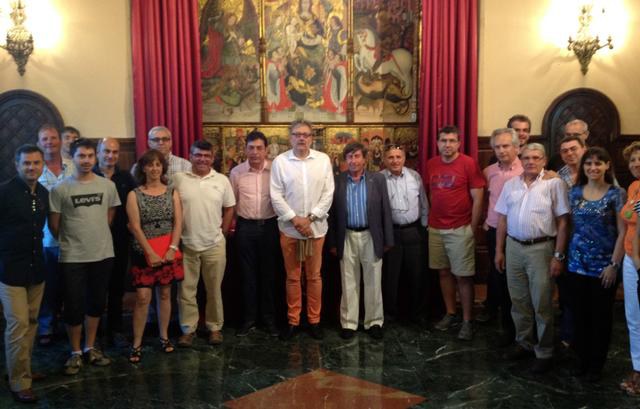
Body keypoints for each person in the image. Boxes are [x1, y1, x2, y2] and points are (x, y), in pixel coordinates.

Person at [494, 143, 569, 374]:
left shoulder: (554, 184)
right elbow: (502, 219)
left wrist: (558, 256)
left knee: (542, 303)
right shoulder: (510, 185)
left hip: (541, 249)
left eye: (536, 157)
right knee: (518, 301)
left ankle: (544, 351)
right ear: (521, 159)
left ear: (544, 160)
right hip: (513, 247)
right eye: (526, 157)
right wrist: (499, 250)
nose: (531, 161)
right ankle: (523, 342)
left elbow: (563, 222)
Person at [49, 138, 121, 375]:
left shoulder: (108, 186)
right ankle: (75, 352)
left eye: (90, 156)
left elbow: (109, 217)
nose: (87, 160)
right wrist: (75, 240)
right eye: (81, 156)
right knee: (73, 305)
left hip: (102, 254)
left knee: (96, 303)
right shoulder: (60, 189)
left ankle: (90, 347)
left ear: (96, 157)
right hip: (72, 257)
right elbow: (54, 226)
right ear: (73, 157)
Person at [270, 119, 334, 341]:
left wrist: (310, 218)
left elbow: (328, 193)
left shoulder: (323, 160)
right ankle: (293, 321)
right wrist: (296, 220)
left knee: (314, 277)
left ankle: (314, 321)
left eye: (306, 134)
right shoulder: (280, 162)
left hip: (316, 229)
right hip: (290, 229)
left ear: (312, 138)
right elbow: (276, 195)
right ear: (290, 137)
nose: (301, 138)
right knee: (293, 277)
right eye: (297, 134)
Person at [566, 147, 625, 381]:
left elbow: (623, 232)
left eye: (598, 163)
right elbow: (569, 226)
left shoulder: (616, 194)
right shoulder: (574, 192)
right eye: (588, 163)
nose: (593, 167)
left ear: (607, 165)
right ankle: (581, 360)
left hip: (604, 267)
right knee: (579, 315)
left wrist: (614, 264)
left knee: (600, 318)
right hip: (576, 264)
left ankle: (595, 365)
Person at [328, 142, 394, 340]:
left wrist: (388, 239)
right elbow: (332, 215)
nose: (353, 160)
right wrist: (333, 242)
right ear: (345, 160)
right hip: (346, 235)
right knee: (348, 280)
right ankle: (349, 323)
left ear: (365, 159)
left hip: (371, 235)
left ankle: (374, 321)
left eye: (357, 156)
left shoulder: (377, 179)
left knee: (373, 279)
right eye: (349, 157)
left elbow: (386, 210)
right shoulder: (337, 181)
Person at [174, 140, 235, 347]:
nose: (202, 159)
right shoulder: (179, 179)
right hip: (186, 243)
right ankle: (188, 329)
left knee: (214, 289)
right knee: (186, 290)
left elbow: (229, 208)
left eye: (206, 156)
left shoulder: (222, 180)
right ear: (190, 156)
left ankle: (214, 328)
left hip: (214, 243)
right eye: (198, 155)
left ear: (212, 158)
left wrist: (223, 233)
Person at [426, 125, 485, 341]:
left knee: (463, 276)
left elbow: (478, 198)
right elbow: (432, 194)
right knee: (443, 272)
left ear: (459, 143)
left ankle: (468, 320)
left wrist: (472, 228)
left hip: (460, 228)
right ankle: (451, 313)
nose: (447, 144)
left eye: (452, 140)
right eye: (443, 140)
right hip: (436, 227)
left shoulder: (468, 163)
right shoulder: (432, 164)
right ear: (437, 143)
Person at [0, 145, 48, 403]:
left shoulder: (43, 193)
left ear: (42, 164)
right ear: (16, 165)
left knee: (31, 321)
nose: (31, 167)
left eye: (36, 163)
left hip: (36, 267)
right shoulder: (4, 192)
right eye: (26, 163)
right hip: (10, 269)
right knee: (17, 325)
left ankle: (22, 370)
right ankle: (19, 381)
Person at [126, 149, 184, 363]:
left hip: (168, 249)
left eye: (158, 164)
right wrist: (149, 252)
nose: (154, 168)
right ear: (143, 168)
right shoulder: (134, 194)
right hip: (144, 251)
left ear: (163, 167)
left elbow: (178, 222)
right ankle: (137, 343)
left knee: (165, 295)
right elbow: (134, 226)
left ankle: (164, 337)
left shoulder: (172, 192)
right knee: (143, 298)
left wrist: (173, 248)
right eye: (150, 164)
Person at [230, 131, 280, 337]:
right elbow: (231, 203)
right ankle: (249, 319)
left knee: (269, 275)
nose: (255, 152)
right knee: (247, 275)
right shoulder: (236, 172)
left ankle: (269, 319)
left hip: (270, 226)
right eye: (251, 148)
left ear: (266, 150)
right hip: (245, 228)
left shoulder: (276, 170)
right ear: (245, 149)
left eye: (259, 148)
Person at [477, 128, 522, 345]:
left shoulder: (526, 169)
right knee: (498, 277)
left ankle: (517, 329)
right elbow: (485, 198)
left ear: (517, 147)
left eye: (506, 146)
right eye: (497, 147)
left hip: (518, 232)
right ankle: (504, 326)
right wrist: (486, 220)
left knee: (515, 282)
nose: (502, 150)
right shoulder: (489, 172)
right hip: (495, 230)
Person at [94, 138, 136, 347]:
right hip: (93, 241)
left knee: (117, 287)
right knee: (95, 288)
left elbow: (134, 205)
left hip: (119, 239)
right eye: (106, 151)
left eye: (115, 152)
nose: (110, 155)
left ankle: (115, 329)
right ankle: (94, 332)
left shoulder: (126, 178)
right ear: (98, 152)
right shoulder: (89, 175)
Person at [380, 144, 428, 323]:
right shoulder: (378, 179)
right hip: (390, 233)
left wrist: (424, 228)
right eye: (391, 157)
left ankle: (417, 314)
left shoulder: (415, 176)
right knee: (391, 276)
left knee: (416, 274)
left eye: (398, 157)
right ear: (384, 160)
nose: (395, 161)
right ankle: (390, 313)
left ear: (404, 158)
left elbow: (423, 202)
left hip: (413, 231)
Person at [36, 124, 75, 346]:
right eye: (45, 139)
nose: (49, 142)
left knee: (72, 287)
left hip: (74, 238)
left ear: (60, 141)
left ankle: (72, 325)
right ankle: (46, 326)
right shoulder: (35, 169)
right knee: (49, 287)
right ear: (39, 143)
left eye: (52, 138)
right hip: (46, 240)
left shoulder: (73, 166)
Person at [621, 141, 640, 394]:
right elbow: (629, 222)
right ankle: (638, 368)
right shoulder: (634, 187)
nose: (636, 164)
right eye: (633, 160)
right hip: (629, 257)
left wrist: (636, 259)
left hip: (638, 259)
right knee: (633, 317)